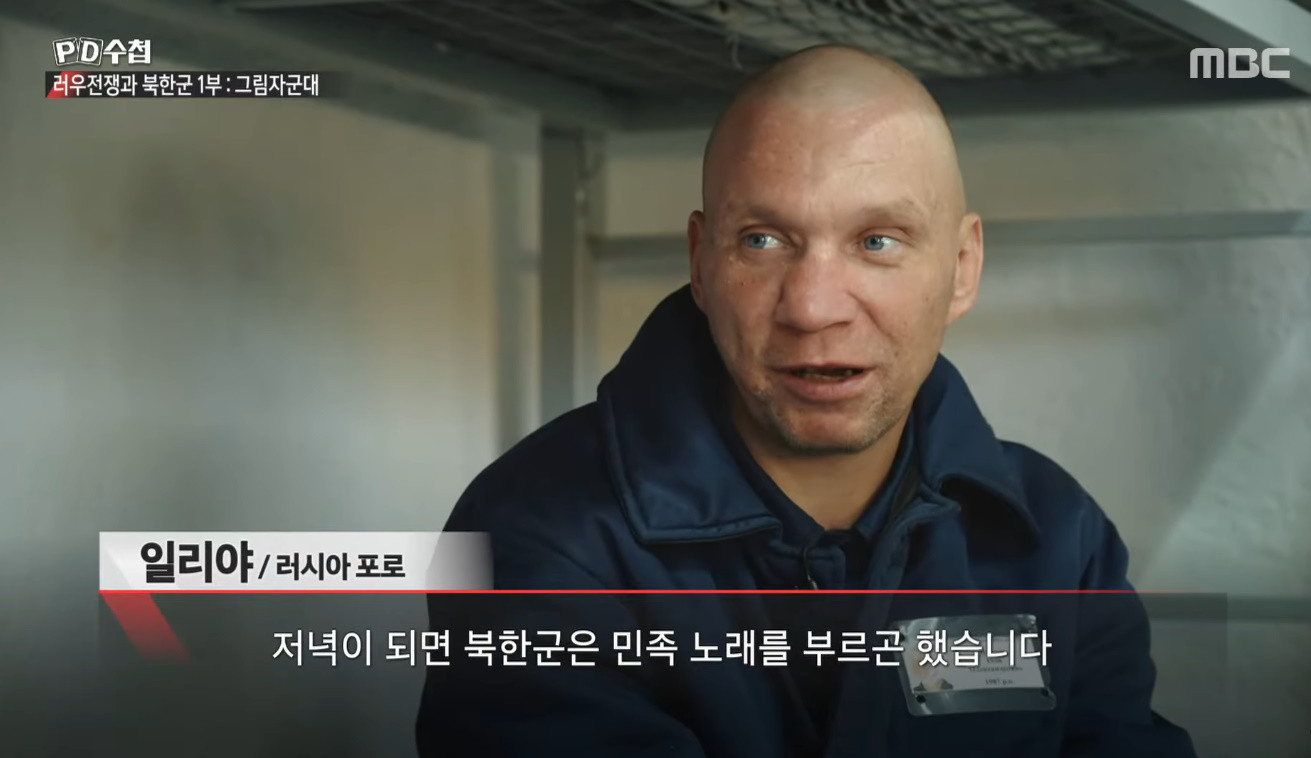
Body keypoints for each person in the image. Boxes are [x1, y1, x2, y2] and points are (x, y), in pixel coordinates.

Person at [417, 44, 1196, 757]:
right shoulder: (532, 536)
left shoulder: (1058, 540)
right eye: (762, 240)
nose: (813, 307)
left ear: (962, 268)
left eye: (877, 241)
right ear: (700, 262)